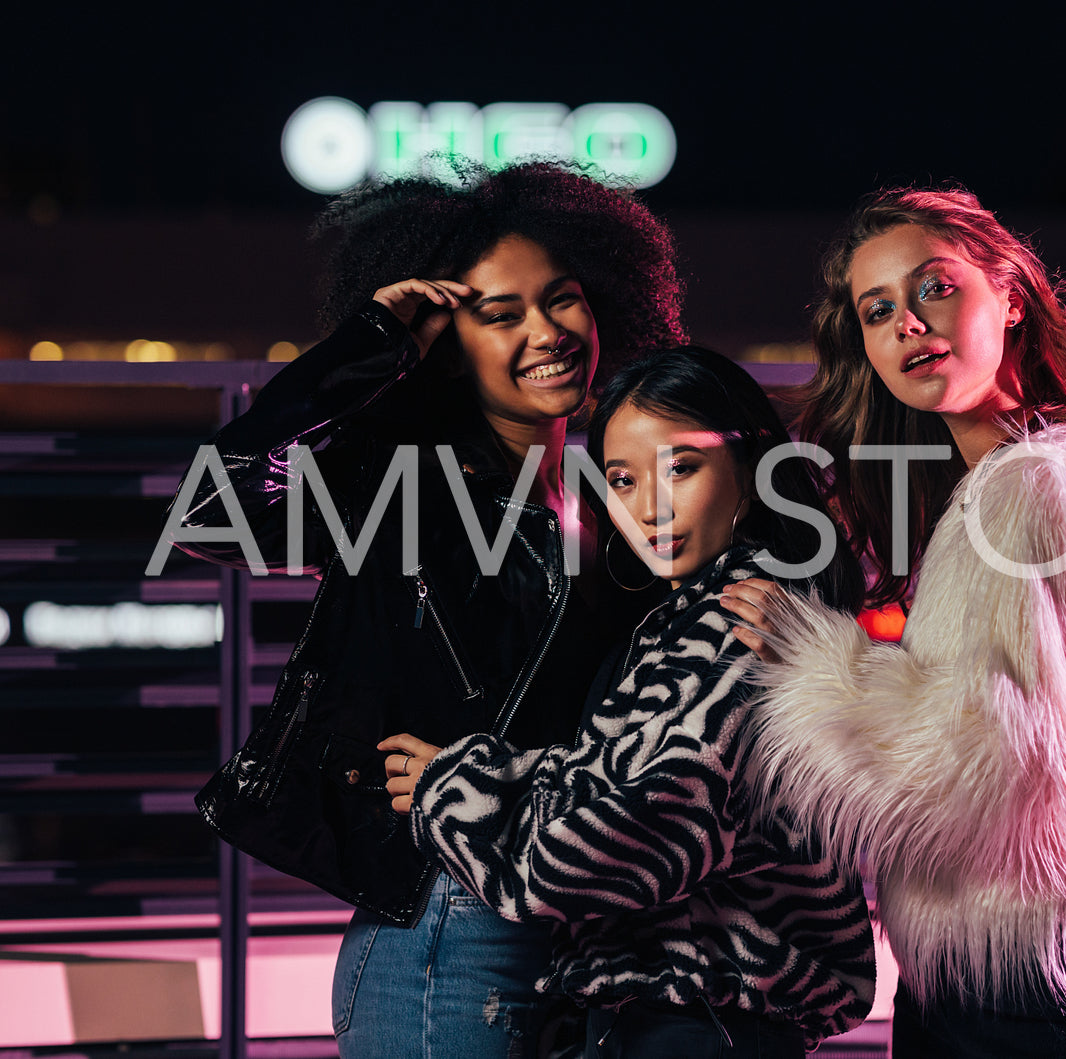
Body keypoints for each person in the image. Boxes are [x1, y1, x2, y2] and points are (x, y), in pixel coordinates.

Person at [162, 160, 685, 1058]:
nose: (546, 331)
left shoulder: (612, 508)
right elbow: (213, 511)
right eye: (500, 313)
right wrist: (369, 341)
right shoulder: (403, 492)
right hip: (451, 931)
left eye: (559, 298)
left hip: (580, 932)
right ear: (450, 342)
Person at [720, 187, 1066, 1057]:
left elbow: (984, 763)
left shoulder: (1030, 489)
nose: (908, 322)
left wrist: (809, 660)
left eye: (934, 287)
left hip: (1035, 992)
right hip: (1052, 976)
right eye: (878, 311)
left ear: (1011, 296)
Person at [384, 347, 877, 1058]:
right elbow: (626, 781)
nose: (649, 506)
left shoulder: (744, 623)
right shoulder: (692, 616)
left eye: (681, 467)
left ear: (754, 464)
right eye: (622, 478)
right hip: (681, 1022)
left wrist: (455, 787)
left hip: (694, 1023)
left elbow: (635, 831)